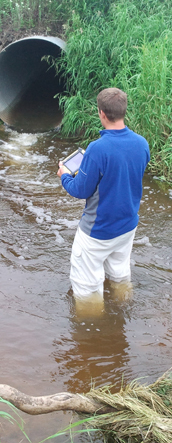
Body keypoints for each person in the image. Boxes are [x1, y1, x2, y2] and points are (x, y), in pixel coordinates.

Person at [57, 88, 150, 304]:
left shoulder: (97, 149)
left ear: (101, 113)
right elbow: (124, 177)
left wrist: (64, 176)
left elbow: (80, 190)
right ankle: (124, 312)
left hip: (98, 231)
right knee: (120, 276)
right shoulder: (142, 144)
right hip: (127, 226)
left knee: (87, 288)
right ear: (124, 111)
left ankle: (94, 334)